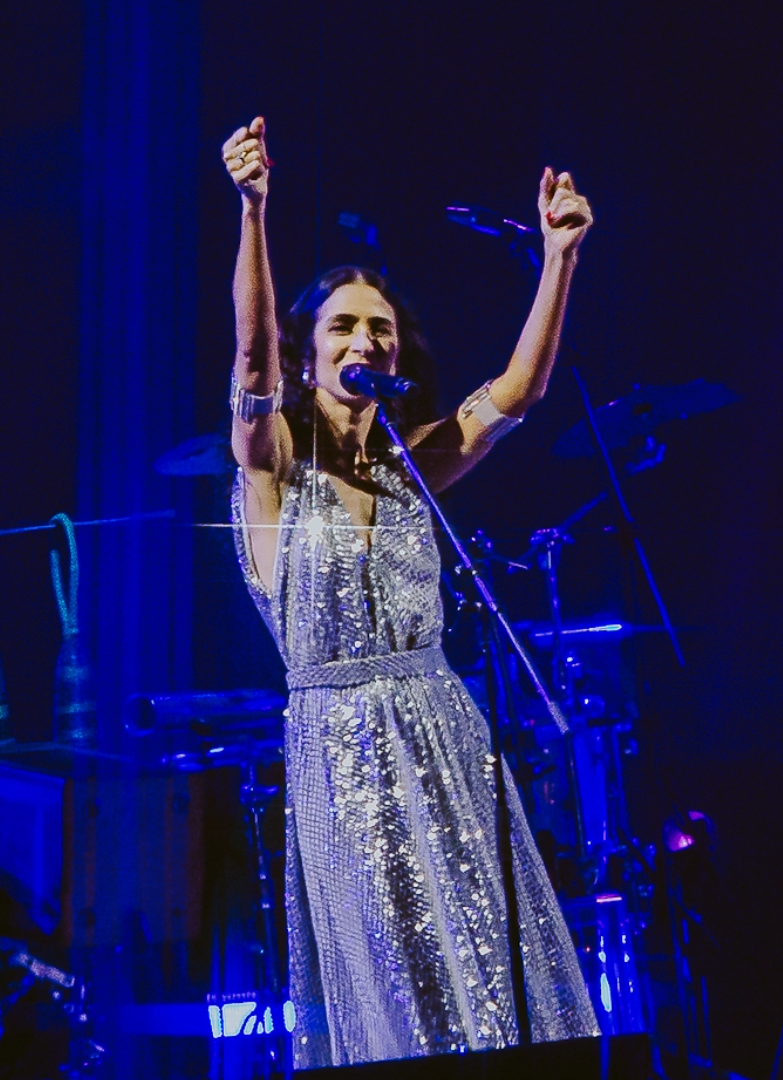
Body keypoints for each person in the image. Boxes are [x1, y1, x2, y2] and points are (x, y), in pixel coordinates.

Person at [220, 116, 599, 1066]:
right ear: (312, 353)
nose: (365, 340)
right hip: (341, 748)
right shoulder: (271, 468)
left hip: (441, 727)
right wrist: (254, 209)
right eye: (343, 326)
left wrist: (558, 258)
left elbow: (517, 391)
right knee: (394, 974)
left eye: (380, 331)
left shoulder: (413, 467)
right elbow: (253, 358)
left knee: (482, 961)